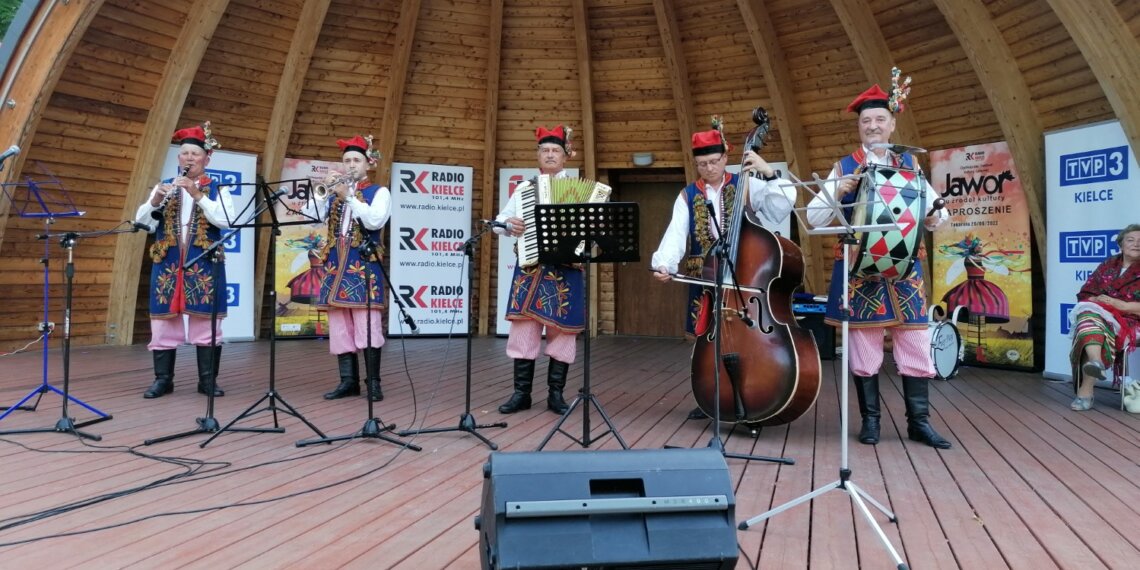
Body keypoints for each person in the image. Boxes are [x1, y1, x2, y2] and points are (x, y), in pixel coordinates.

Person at [805, 77, 952, 449]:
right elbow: (814, 218)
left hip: (905, 270)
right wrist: (838, 191)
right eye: (866, 121)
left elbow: (939, 212)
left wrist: (934, 219)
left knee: (916, 340)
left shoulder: (910, 164)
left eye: (879, 120)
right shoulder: (844, 166)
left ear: (892, 124)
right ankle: (870, 422)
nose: (873, 126)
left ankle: (919, 423)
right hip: (859, 269)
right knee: (864, 346)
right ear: (859, 127)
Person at [650, 123, 798, 420]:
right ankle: (711, 395)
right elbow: (676, 233)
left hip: (744, 278)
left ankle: (749, 391)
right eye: (702, 163)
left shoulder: (745, 183)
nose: (709, 168)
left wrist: (768, 172)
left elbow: (782, 205)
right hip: (705, 278)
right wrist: (664, 263)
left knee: (744, 339)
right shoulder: (687, 195)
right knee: (706, 340)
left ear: (725, 157)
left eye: (714, 161)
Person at [136, 122, 233, 399]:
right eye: (184, 154)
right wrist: (154, 201)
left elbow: (225, 220)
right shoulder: (164, 187)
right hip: (168, 263)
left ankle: (207, 382)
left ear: (207, 158)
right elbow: (143, 224)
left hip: (204, 262)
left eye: (195, 154)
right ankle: (163, 380)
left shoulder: (218, 189)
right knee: (163, 322)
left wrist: (197, 194)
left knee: (206, 322)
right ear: (178, 158)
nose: (189, 158)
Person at [492, 125, 582, 415]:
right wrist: (509, 225)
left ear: (565, 156)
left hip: (565, 270)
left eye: (556, 150)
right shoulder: (524, 189)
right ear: (537, 156)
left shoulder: (580, 190)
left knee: (563, 333)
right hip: (530, 269)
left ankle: (556, 394)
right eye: (545, 150)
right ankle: (522, 394)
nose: (550, 155)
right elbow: (499, 222)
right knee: (523, 330)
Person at [314, 135, 390, 402]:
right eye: (346, 160)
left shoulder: (379, 192)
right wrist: (322, 191)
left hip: (363, 265)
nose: (350, 165)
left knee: (367, 324)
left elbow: (374, 221)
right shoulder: (335, 191)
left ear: (369, 163)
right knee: (339, 326)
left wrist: (349, 198)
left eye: (356, 160)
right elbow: (310, 215)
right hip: (336, 265)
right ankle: (348, 381)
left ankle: (373, 382)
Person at [1069, 224, 1140, 411]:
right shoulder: (1109, 264)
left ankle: (1086, 390)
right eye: (1130, 240)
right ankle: (1096, 362)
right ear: (1121, 244)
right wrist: (1095, 299)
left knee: (1090, 321)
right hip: (1101, 315)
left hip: (1131, 320)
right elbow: (1085, 292)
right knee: (1089, 314)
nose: (1136, 244)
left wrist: (1121, 305)